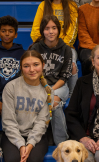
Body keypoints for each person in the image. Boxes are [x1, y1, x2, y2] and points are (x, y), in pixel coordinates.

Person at [1, 50, 51, 162]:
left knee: (35, 161)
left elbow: (42, 122)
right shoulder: (11, 87)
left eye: (36, 65)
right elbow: (8, 121)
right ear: (21, 68)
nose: (32, 69)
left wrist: (29, 145)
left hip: (37, 136)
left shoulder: (48, 91)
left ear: (42, 66)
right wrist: (21, 145)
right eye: (26, 66)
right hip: (13, 135)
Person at [30, 0, 79, 97]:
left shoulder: (72, 6)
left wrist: (59, 44)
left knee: (72, 64)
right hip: (45, 45)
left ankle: (73, 97)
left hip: (65, 46)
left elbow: (73, 32)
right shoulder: (43, 6)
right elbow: (35, 30)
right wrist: (47, 42)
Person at [31, 15, 72, 145]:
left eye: (54, 28)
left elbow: (64, 77)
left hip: (59, 86)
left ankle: (62, 143)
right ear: (43, 31)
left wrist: (50, 90)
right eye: (47, 28)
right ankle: (35, 139)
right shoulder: (36, 48)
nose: (51, 31)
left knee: (53, 103)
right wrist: (42, 88)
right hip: (39, 85)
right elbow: (31, 72)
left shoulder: (66, 49)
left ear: (58, 30)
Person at [0, 15, 25, 129]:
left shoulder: (22, 53)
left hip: (16, 95)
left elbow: (22, 78)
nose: (7, 34)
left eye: (10, 31)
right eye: (3, 31)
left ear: (15, 34)